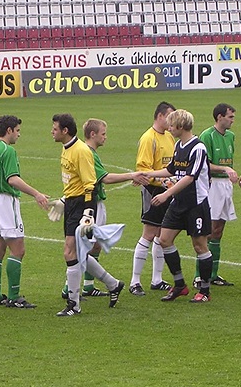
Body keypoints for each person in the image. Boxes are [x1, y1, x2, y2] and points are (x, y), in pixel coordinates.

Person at [60, 119, 149, 299]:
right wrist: (132, 175)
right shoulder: (87, 153)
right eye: (103, 134)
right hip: (91, 204)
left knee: (92, 246)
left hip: (87, 203)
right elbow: (104, 178)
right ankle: (75, 286)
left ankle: (88, 285)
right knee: (81, 248)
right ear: (93, 134)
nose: (106, 137)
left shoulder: (83, 151)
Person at [51, 114, 125, 317]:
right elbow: (73, 182)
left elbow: (90, 185)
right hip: (72, 204)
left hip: (81, 205)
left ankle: (73, 304)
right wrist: (64, 200)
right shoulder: (66, 149)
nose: (52, 131)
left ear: (65, 131)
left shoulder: (81, 152)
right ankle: (113, 284)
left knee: (70, 251)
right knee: (77, 252)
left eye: (55, 128)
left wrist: (87, 214)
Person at [0, 115, 48, 309]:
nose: (18, 135)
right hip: (5, 201)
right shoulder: (7, 150)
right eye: (17, 131)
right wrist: (36, 193)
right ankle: (14, 297)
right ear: (8, 130)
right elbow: (13, 179)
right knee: (18, 250)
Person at [143, 109, 213, 303]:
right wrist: (148, 174)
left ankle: (205, 291)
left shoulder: (198, 148)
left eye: (171, 125)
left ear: (181, 127)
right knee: (164, 239)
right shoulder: (178, 145)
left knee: (199, 246)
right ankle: (180, 285)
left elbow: (190, 177)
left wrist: (166, 194)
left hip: (196, 204)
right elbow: (171, 169)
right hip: (179, 202)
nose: (169, 128)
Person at [129, 101, 176, 296]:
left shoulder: (170, 138)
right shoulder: (149, 138)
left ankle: (157, 279)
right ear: (160, 116)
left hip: (167, 191)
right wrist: (162, 181)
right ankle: (135, 281)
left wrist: (171, 181)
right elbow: (143, 170)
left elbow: (172, 166)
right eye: (170, 116)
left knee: (161, 235)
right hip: (153, 191)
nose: (172, 121)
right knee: (148, 233)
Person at [195, 103, 237, 287]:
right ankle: (199, 276)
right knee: (208, 230)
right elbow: (205, 165)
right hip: (212, 185)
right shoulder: (207, 136)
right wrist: (225, 168)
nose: (232, 120)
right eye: (230, 117)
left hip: (226, 185)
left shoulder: (231, 136)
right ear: (219, 117)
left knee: (219, 230)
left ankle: (213, 274)